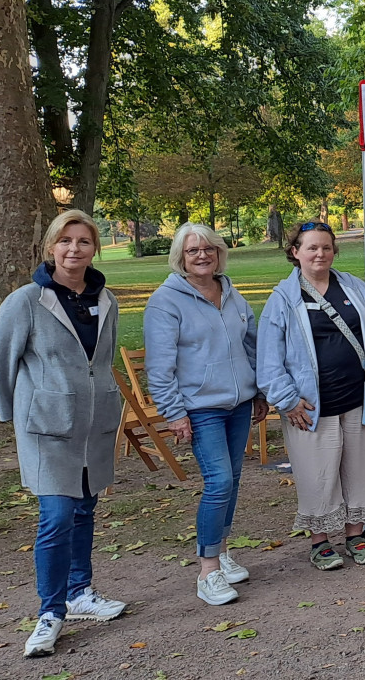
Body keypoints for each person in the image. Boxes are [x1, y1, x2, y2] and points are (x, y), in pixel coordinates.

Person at [0, 210, 127, 657]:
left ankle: (80, 591)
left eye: (83, 241)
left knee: (85, 508)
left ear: (94, 249)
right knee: (57, 516)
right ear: (51, 247)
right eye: (65, 241)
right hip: (46, 427)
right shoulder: (26, 300)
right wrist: (14, 416)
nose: (74, 249)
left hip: (93, 425)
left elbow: (101, 362)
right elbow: (1, 361)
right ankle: (51, 611)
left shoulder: (107, 300)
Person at [257, 221, 365, 569]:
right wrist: (287, 399)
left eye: (326, 247)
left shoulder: (355, 289)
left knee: (361, 471)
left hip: (360, 399)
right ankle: (320, 542)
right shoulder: (283, 300)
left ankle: (355, 535)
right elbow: (268, 359)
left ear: (334, 251)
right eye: (311, 247)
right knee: (317, 476)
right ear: (295, 252)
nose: (319, 253)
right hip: (310, 407)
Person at [143, 223, 270, 605]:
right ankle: (207, 570)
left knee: (231, 479)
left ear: (219, 254)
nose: (202, 256)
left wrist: (260, 391)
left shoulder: (231, 294)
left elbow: (253, 345)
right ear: (180, 257)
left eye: (209, 249)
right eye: (193, 250)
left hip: (238, 404)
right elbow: (160, 367)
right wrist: (174, 413)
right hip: (200, 408)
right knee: (218, 481)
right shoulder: (166, 301)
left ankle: (222, 549)